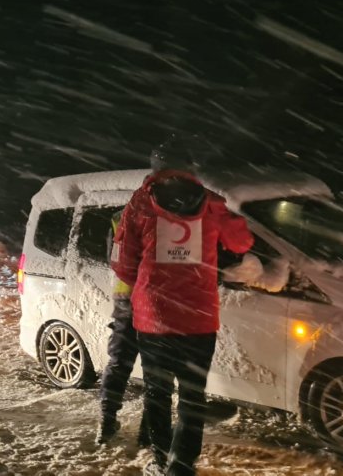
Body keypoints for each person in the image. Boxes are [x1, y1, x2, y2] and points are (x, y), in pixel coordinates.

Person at [112, 144, 254, 476]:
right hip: (199, 319)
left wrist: (147, 281)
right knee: (193, 396)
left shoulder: (140, 204)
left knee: (157, 395)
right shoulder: (212, 204)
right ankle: (182, 465)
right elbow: (242, 243)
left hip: (154, 318)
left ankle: (160, 461)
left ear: (156, 168)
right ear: (190, 168)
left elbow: (122, 262)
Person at [96, 208, 148, 446]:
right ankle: (147, 432)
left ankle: (106, 423)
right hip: (153, 300)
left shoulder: (121, 217)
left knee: (118, 362)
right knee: (156, 369)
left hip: (125, 297)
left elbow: (112, 259)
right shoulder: (170, 217)